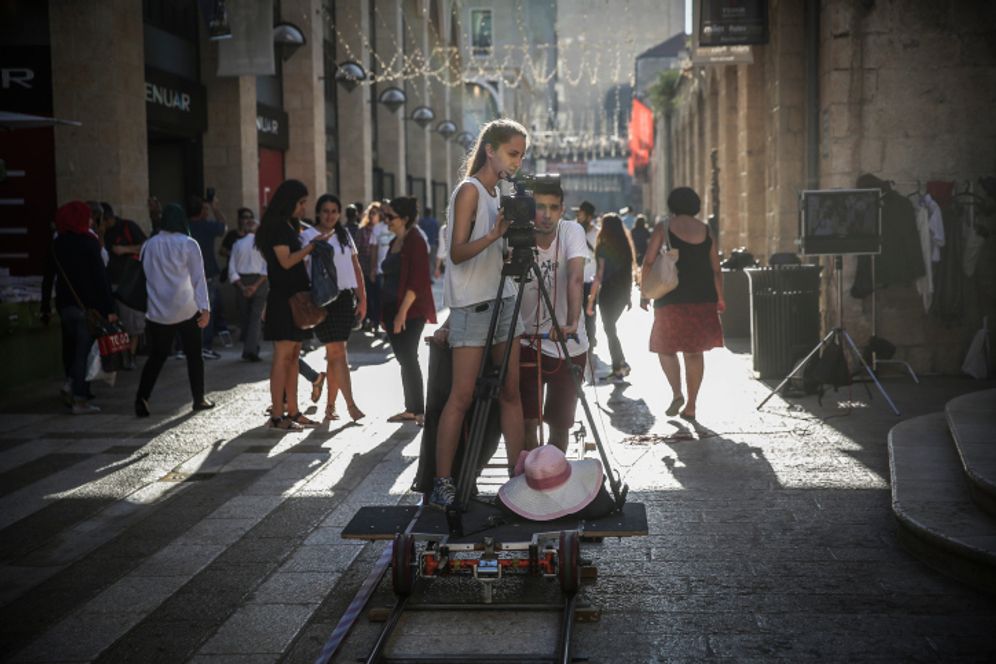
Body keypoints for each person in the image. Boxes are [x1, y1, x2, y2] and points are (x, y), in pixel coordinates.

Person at [431, 118, 529, 509]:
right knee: (462, 395)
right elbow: (456, 253)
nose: (517, 162)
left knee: (511, 392)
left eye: (521, 155)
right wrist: (493, 235)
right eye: (512, 153)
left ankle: (518, 481)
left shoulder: (499, 193)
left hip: (504, 299)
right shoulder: (470, 190)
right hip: (473, 305)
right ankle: (442, 483)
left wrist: (508, 244)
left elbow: (492, 255)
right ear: (490, 150)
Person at [641, 187, 725, 421]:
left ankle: (677, 393)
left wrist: (644, 292)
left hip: (671, 298)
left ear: (672, 204)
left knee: (664, 348)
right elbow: (716, 269)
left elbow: (649, 261)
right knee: (694, 352)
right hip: (702, 297)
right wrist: (720, 297)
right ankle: (691, 405)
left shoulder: (664, 227)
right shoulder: (706, 230)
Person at [518, 178, 587, 453]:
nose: (546, 215)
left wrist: (571, 322)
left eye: (553, 208)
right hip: (526, 341)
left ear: (562, 209)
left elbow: (575, 277)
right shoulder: (517, 233)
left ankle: (552, 473)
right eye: (539, 207)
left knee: (560, 424)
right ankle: (530, 474)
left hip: (567, 343)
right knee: (528, 422)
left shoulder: (572, 230)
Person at [255, 179, 330, 430]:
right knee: (283, 356)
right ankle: (278, 415)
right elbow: (285, 261)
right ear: (289, 202)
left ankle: (293, 412)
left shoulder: (288, 225)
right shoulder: (278, 228)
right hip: (284, 299)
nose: (304, 208)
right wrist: (311, 247)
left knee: (294, 356)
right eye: (301, 203)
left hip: (294, 298)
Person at [135, 203, 214, 417]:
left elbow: (146, 275)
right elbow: (198, 279)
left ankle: (142, 398)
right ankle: (199, 398)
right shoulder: (189, 244)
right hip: (187, 308)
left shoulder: (149, 245)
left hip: (158, 310)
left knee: (157, 356)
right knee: (194, 355)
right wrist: (205, 308)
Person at [40, 201, 117, 414]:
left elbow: (48, 279)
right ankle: (79, 398)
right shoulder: (89, 242)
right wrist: (109, 309)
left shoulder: (57, 244)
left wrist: (45, 307)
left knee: (72, 349)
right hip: (88, 309)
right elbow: (101, 279)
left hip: (65, 307)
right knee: (83, 353)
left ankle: (70, 385)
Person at [301, 194, 367, 422]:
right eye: (325, 211)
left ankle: (330, 407)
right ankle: (350, 405)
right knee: (338, 353)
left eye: (334, 211)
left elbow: (356, 267)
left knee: (335, 354)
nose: (329, 216)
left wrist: (363, 299)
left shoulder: (344, 235)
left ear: (339, 214)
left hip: (345, 299)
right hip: (322, 300)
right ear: (318, 213)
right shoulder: (308, 236)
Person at [380, 196, 436, 425]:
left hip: (410, 311)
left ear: (404, 218)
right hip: (391, 308)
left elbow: (418, 280)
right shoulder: (396, 241)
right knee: (404, 358)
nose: (386, 221)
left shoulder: (416, 241)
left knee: (409, 357)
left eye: (390, 217)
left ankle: (418, 410)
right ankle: (411, 408)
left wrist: (401, 313)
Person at [586, 213, 635, 381]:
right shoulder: (625, 247)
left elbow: (599, 275)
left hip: (608, 293)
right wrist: (628, 296)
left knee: (609, 329)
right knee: (610, 328)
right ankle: (619, 364)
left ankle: (619, 365)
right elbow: (628, 273)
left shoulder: (603, 247)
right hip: (622, 293)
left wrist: (591, 300)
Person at [102, 202, 147, 369]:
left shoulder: (128, 227)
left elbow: (146, 246)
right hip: (110, 282)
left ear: (108, 218)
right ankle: (118, 356)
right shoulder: (102, 233)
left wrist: (125, 249)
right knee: (115, 323)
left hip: (129, 284)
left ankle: (131, 356)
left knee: (132, 323)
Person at [187, 194, 228, 358]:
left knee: (187, 311)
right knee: (206, 309)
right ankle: (205, 346)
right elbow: (223, 226)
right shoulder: (207, 226)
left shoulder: (185, 227)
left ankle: (184, 347)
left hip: (187, 275)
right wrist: (215, 208)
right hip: (207, 273)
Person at [228, 213, 267, 362]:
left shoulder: (237, 244)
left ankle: (249, 348)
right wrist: (255, 286)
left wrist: (243, 287)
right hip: (260, 282)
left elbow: (232, 269)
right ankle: (251, 349)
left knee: (245, 316)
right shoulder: (262, 245)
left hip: (242, 282)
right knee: (256, 317)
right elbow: (266, 268)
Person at [355, 202, 383, 331]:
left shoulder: (383, 229)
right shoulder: (362, 230)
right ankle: (368, 320)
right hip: (364, 269)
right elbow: (356, 250)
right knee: (368, 296)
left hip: (378, 269)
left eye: (374, 213)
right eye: (370, 213)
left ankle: (376, 322)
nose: (372, 215)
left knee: (377, 297)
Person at [575, 200, 598, 349]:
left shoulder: (597, 233)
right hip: (575, 280)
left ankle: (590, 342)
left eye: (581, 214)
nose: (578, 217)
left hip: (591, 281)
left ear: (589, 217)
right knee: (576, 313)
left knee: (590, 314)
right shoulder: (574, 231)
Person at [418, 205, 440, 281]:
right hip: (433, 244)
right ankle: (429, 277)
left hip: (423, 244)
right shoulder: (434, 222)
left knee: (423, 261)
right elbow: (437, 233)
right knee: (431, 261)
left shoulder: (421, 221)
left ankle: (424, 277)